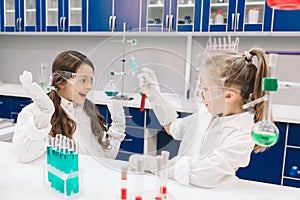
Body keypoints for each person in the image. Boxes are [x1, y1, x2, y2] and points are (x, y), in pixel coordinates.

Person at [136, 48, 268, 188]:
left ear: (228, 96)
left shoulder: (243, 132)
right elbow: (173, 128)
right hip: (184, 191)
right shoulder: (208, 113)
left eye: (206, 89)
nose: (200, 94)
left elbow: (205, 174)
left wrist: (158, 165)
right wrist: (154, 95)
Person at [13, 50, 126, 163]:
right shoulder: (33, 112)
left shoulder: (89, 110)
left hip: (89, 178)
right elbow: (24, 155)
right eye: (82, 80)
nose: (89, 87)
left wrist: (118, 127)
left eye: (90, 80)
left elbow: (105, 156)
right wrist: (43, 116)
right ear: (61, 83)